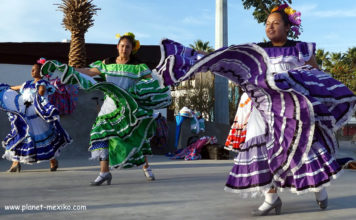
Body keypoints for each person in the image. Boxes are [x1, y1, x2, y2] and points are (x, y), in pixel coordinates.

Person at [154, 4, 356, 216]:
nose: (270, 27)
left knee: (305, 147)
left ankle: (319, 188)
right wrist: (200, 55)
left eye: (276, 23)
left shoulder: (301, 49)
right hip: (263, 106)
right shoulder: (258, 51)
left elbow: (317, 77)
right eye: (267, 24)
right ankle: (271, 197)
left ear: (288, 27)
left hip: (294, 110)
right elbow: (227, 56)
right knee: (260, 144)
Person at [41, 32, 171, 186]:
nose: (124, 49)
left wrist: (142, 91)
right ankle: (104, 172)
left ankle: (146, 167)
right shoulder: (107, 63)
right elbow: (89, 72)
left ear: (132, 49)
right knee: (99, 135)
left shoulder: (139, 67)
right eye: (122, 46)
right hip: (109, 107)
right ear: (117, 47)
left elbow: (151, 83)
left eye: (127, 47)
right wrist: (69, 69)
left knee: (135, 138)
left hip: (129, 108)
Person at [0, 58, 72, 172]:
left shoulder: (43, 83)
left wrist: (40, 87)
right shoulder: (27, 83)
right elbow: (16, 87)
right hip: (25, 116)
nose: (33, 71)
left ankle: (53, 161)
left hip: (38, 117)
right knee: (21, 136)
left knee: (44, 140)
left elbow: (42, 92)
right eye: (32, 70)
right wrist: (5, 89)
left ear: (42, 72)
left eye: (36, 70)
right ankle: (15, 163)